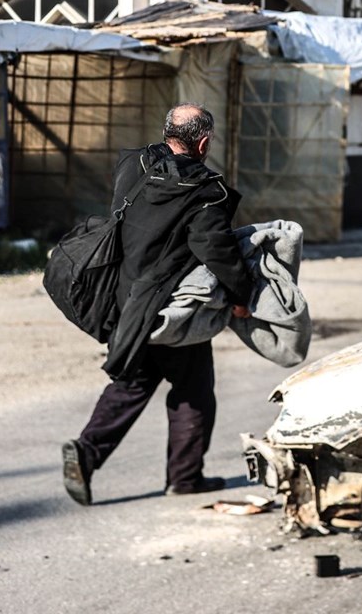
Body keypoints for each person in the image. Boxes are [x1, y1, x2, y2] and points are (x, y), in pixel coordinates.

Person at [61, 103, 254, 506]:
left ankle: (86, 451)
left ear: (167, 132)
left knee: (132, 384)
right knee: (194, 391)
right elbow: (216, 251)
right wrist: (241, 298)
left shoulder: (135, 165)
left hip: (125, 302)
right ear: (203, 142)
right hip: (170, 310)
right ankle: (184, 478)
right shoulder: (205, 192)